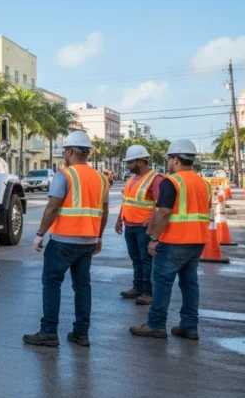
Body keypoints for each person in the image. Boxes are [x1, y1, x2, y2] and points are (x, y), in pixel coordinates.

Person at [23, 131, 109, 348]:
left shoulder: (65, 175)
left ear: (70, 151)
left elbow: (53, 206)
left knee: (51, 283)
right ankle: (81, 333)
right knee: (83, 286)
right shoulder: (101, 178)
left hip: (63, 241)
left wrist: (40, 234)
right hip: (88, 242)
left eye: (65, 151)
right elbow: (104, 211)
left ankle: (49, 332)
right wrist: (98, 236)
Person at [130, 140, 210, 340]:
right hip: (197, 240)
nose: (168, 163)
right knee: (190, 284)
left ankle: (156, 324)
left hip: (175, 240)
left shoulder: (172, 181)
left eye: (168, 159)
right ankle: (189, 326)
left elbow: (164, 213)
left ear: (175, 159)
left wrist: (154, 238)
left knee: (162, 283)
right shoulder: (203, 183)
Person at [115, 144, 163, 305]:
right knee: (136, 259)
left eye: (130, 162)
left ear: (141, 162)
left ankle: (148, 292)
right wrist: (119, 219)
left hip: (143, 228)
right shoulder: (132, 178)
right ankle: (138, 288)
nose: (128, 165)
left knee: (146, 260)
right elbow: (126, 201)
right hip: (130, 225)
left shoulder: (155, 179)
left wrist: (152, 222)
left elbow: (161, 205)